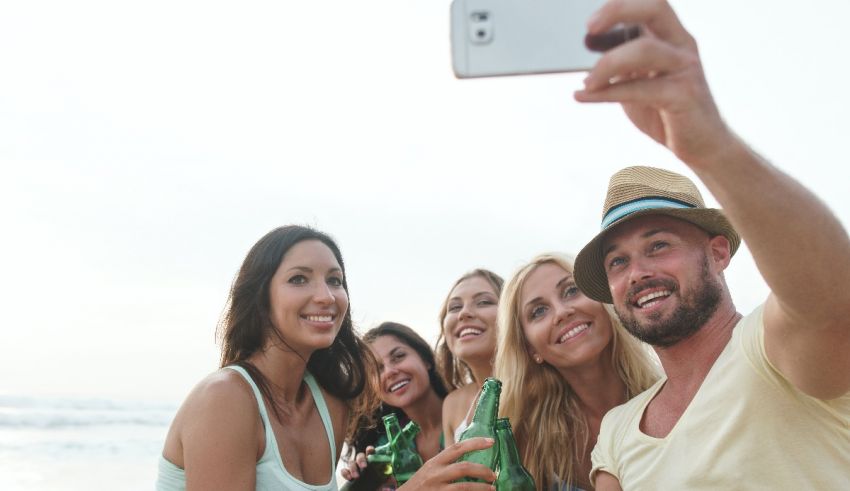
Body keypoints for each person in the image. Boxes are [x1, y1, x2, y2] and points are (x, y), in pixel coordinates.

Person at [571, 1, 850, 488]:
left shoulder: (770, 346)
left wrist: (707, 142)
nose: (637, 273)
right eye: (618, 261)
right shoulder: (617, 431)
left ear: (718, 253)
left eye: (658, 246)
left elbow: (832, 303)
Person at [156, 225, 496, 491]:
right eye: (299, 279)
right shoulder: (225, 398)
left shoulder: (329, 405)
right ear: (260, 298)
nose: (326, 296)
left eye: (335, 280)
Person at [495, 253, 658, 491]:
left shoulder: (670, 394)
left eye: (571, 291)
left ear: (604, 300)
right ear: (530, 349)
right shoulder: (525, 436)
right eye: (539, 311)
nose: (562, 312)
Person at [342, 322, 449, 488]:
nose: (390, 372)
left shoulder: (468, 413)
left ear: (426, 359)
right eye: (377, 369)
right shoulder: (385, 448)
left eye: (398, 356)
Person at [434, 269, 504, 446]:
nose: (463, 313)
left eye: (483, 302)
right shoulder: (452, 404)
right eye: (455, 307)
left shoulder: (540, 386)